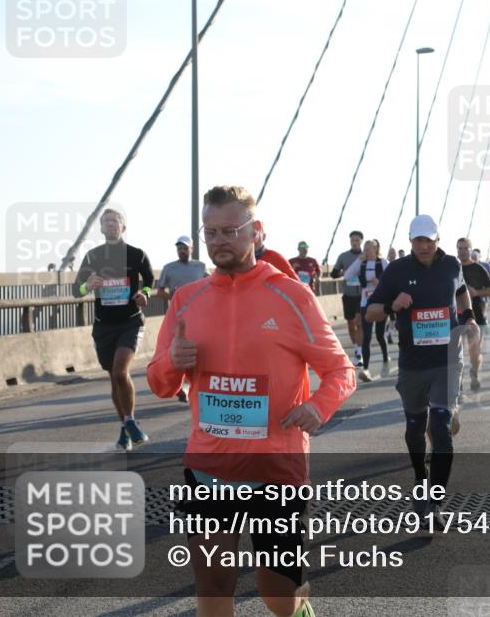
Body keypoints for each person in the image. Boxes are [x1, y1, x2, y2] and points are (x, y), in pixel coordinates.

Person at [147, 185, 355, 617]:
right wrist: (171, 361)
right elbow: (160, 384)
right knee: (212, 587)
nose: (219, 240)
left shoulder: (292, 296)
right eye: (210, 232)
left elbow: (341, 370)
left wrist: (318, 407)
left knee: (277, 595)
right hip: (209, 468)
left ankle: (299, 607)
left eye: (229, 230)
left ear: (255, 231)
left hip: (275, 468)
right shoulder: (187, 300)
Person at [364, 215, 479, 529]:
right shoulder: (397, 270)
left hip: (447, 361)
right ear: (410, 241)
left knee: (441, 430)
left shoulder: (452, 265)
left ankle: (435, 502)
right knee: (416, 427)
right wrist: (392, 306)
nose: (424, 245)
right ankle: (419, 478)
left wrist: (469, 317)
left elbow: (461, 292)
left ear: (438, 240)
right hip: (413, 364)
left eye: (429, 240)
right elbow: (371, 312)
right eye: (418, 240)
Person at [73, 208, 155, 451]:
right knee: (113, 377)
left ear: (123, 227)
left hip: (130, 321)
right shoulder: (92, 257)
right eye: (106, 222)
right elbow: (75, 291)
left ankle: (130, 422)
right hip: (103, 326)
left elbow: (150, 281)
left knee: (120, 372)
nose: (110, 225)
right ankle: (125, 428)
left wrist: (145, 293)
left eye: (115, 221)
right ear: (101, 228)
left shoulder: (137, 255)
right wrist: (87, 286)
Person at [154, 235, 209, 402]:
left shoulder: (200, 267)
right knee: (178, 350)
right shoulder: (169, 268)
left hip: (199, 315)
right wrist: (174, 298)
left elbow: (211, 285)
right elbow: (159, 291)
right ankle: (180, 384)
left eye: (185, 248)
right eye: (179, 248)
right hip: (177, 315)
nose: (182, 251)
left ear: (191, 249)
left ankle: (191, 383)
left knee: (196, 350)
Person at [344, 239, 389, 382]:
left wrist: (381, 282)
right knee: (367, 336)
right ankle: (366, 369)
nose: (366, 252)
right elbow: (347, 276)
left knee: (380, 335)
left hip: (381, 303)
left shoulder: (383, 263)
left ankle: (385, 358)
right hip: (366, 303)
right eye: (365, 249)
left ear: (375, 250)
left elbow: (392, 280)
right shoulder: (362, 263)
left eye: (369, 249)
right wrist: (358, 261)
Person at [457, 237, 490, 392]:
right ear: (457, 250)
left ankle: (474, 372)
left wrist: (477, 292)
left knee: (474, 353)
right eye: (460, 248)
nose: (463, 251)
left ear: (471, 250)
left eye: (466, 248)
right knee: (455, 354)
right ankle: (457, 382)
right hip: (456, 317)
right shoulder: (453, 268)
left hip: (475, 316)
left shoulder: (479, 269)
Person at [329, 230, 365, 366]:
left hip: (362, 295)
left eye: (357, 240)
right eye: (352, 240)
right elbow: (333, 274)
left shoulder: (365, 256)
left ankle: (359, 353)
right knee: (351, 325)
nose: (354, 242)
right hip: (348, 295)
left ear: (361, 241)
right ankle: (356, 348)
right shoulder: (343, 256)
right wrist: (343, 273)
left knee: (359, 323)